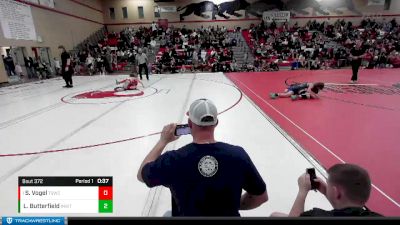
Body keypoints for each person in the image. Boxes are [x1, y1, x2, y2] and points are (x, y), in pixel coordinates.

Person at [137, 98, 268, 216]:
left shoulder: (174, 159)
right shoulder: (238, 155)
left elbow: (141, 175)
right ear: (216, 122)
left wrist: (163, 141)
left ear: (189, 123)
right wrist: (231, 206)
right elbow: (261, 197)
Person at [271, 164, 382, 217]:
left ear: (336, 192)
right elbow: (345, 210)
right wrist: (326, 191)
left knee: (274, 216)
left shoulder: (316, 215)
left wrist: (302, 192)